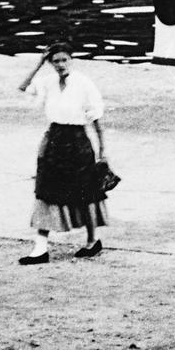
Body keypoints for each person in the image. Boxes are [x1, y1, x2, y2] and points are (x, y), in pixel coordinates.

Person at [17, 43, 109, 264]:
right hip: (54, 140)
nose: (60, 65)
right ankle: (40, 248)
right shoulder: (47, 82)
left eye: (64, 60)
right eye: (55, 61)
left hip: (78, 142)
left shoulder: (83, 83)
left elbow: (96, 119)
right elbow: (23, 87)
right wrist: (39, 63)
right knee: (45, 190)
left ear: (71, 60)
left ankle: (93, 240)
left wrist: (102, 152)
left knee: (85, 192)